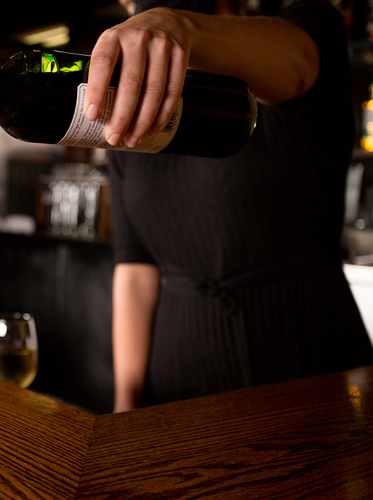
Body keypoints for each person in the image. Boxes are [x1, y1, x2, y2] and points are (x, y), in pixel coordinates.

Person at [84, 0, 373, 411]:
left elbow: (298, 62)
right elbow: (135, 269)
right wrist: (125, 405)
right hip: (180, 372)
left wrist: (181, 26)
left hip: (308, 355)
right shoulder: (127, 97)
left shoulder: (304, 29)